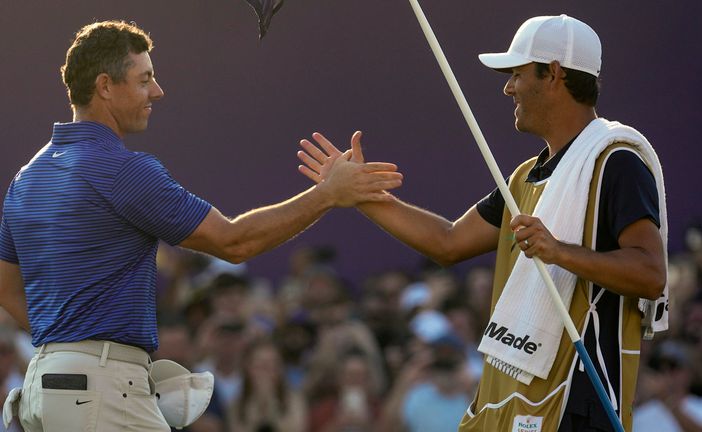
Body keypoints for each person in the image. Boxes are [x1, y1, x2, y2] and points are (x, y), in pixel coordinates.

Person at [0, 20, 402, 431]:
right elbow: (234, 241)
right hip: (97, 393)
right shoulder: (123, 170)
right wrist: (327, 195)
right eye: (145, 80)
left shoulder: (25, 177)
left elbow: (6, 288)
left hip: (43, 388)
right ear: (105, 86)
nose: (157, 91)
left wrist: (70, 342)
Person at [297, 14, 667, 431]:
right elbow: (448, 242)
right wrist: (359, 194)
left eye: (517, 73)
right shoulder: (526, 175)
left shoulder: (616, 161)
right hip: (516, 402)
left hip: (577, 403)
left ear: (555, 75)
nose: (508, 86)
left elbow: (650, 273)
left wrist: (559, 252)